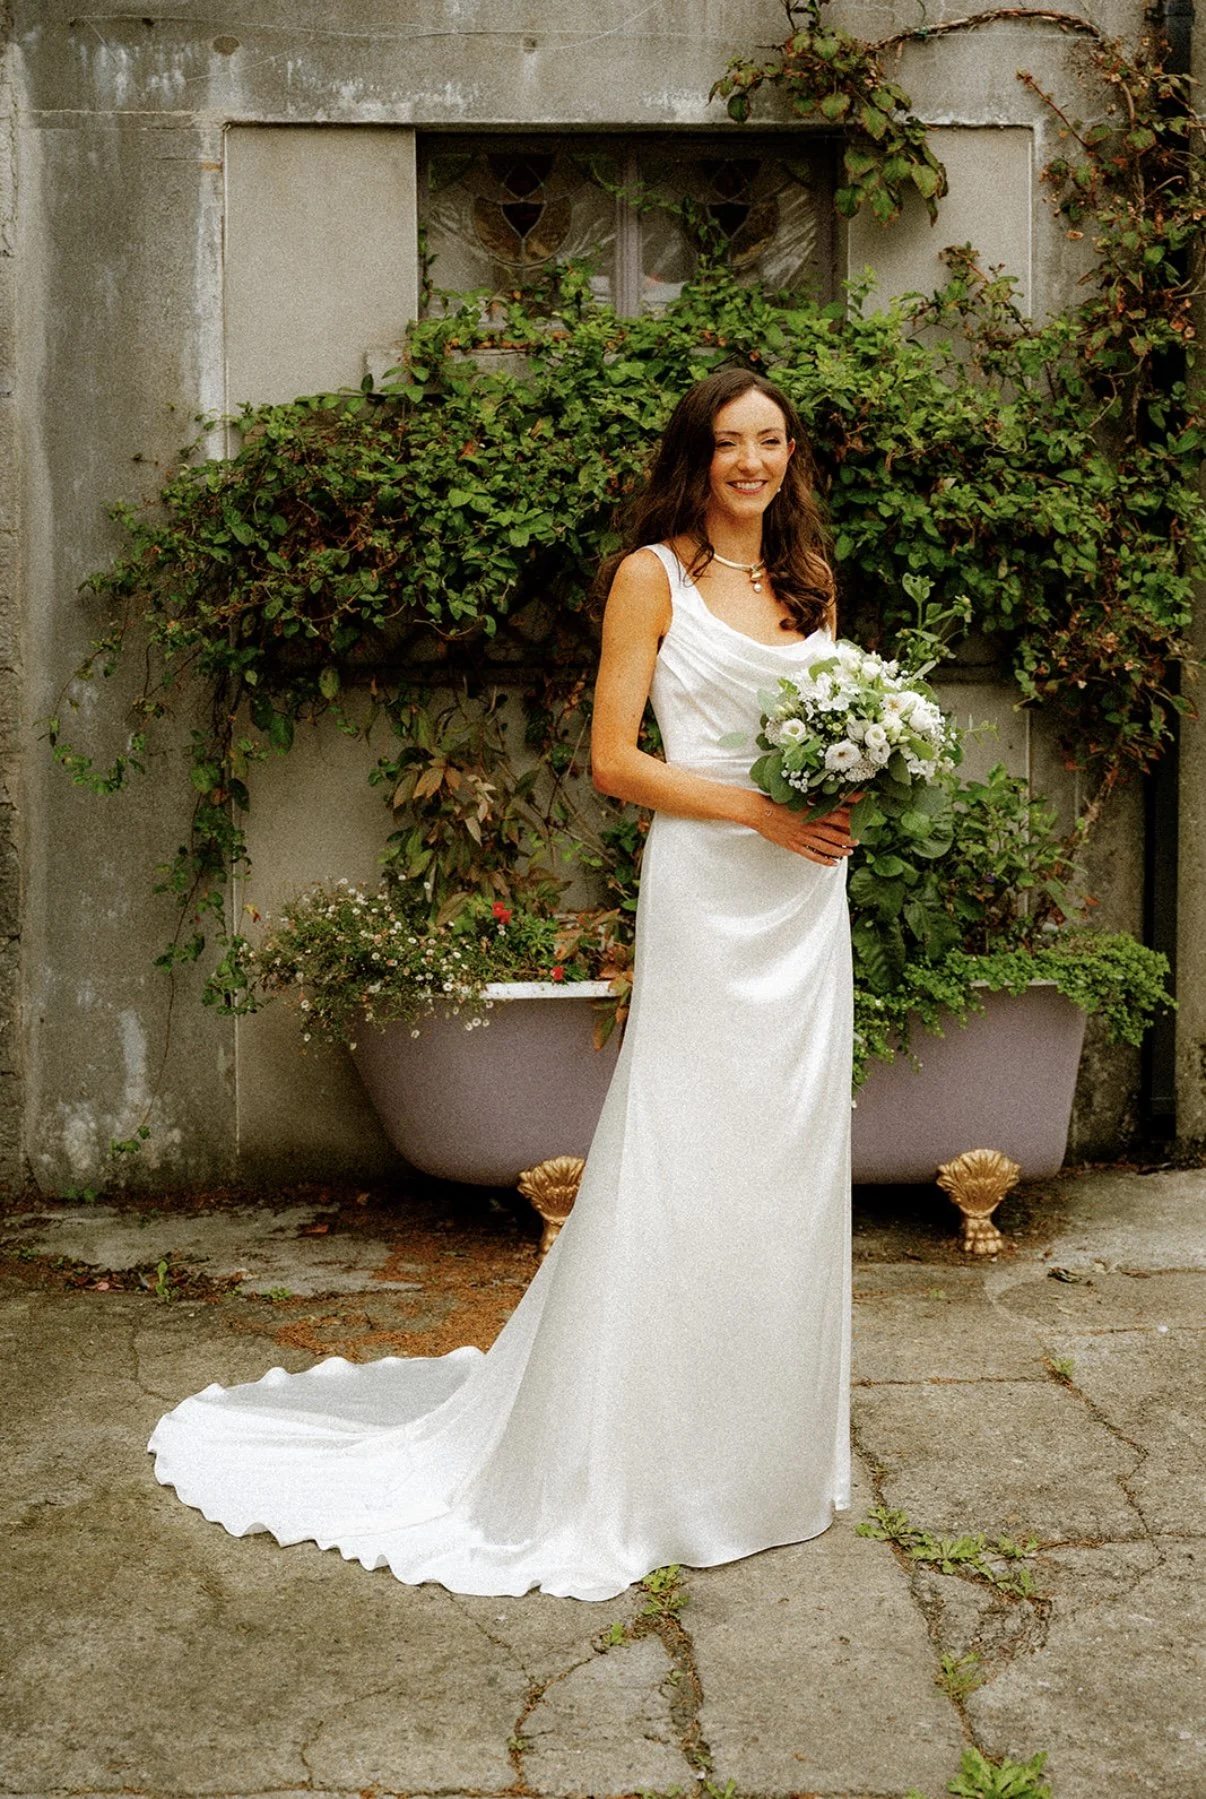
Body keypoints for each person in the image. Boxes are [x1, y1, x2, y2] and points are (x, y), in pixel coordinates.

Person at [148, 365, 858, 1603]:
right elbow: (613, 759)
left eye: (774, 442)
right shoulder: (656, 575)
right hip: (709, 888)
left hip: (804, 898)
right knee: (686, 1146)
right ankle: (650, 1456)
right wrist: (753, 805)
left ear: (792, 457)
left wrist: (847, 789)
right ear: (698, 455)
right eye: (733, 443)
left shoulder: (808, 580)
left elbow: (826, 727)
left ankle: (766, 1451)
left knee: (788, 1152)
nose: (755, 462)